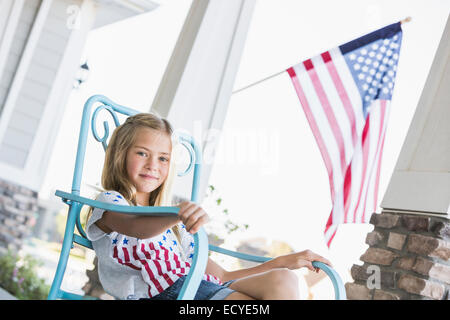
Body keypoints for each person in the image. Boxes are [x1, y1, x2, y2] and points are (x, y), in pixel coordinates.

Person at [86, 112, 333, 300]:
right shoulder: (111, 203)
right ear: (121, 155)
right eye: (142, 153)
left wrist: (283, 261)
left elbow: (222, 277)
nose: (153, 164)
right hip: (165, 293)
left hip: (197, 287)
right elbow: (136, 226)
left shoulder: (175, 227)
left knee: (283, 280)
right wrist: (177, 214)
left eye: (163, 158)